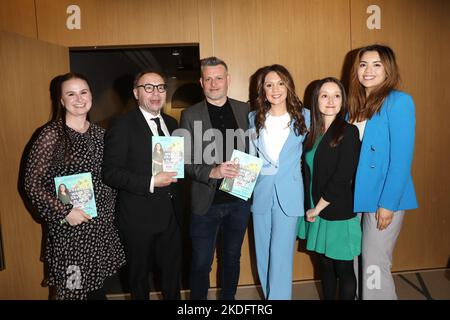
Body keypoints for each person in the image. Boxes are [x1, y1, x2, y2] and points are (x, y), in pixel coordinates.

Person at [24, 72, 125, 300]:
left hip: (100, 228)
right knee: (72, 290)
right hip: (70, 232)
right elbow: (32, 184)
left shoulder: (101, 134)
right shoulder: (51, 135)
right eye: (71, 94)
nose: (79, 99)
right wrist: (65, 212)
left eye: (83, 92)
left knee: (96, 289)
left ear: (91, 95)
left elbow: (112, 176)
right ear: (61, 101)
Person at [103, 70, 182, 300]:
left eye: (160, 87)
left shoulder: (171, 122)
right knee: (139, 281)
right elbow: (110, 173)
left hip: (171, 216)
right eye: (148, 87)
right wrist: (150, 181)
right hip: (138, 219)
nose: (155, 93)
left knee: (172, 277)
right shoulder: (122, 125)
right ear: (136, 93)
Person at [348, 44, 418, 300]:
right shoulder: (353, 104)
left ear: (388, 69)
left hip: (383, 199)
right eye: (363, 64)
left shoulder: (399, 102)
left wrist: (388, 204)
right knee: (355, 261)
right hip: (354, 196)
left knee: (375, 264)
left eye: (376, 64)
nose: (368, 70)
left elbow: (401, 159)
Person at [179, 56, 250, 300]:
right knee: (200, 264)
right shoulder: (190, 114)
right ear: (201, 82)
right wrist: (212, 171)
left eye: (218, 78)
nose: (213, 83)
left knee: (231, 259)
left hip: (239, 200)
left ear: (227, 80)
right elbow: (184, 160)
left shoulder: (245, 110)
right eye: (208, 79)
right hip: (205, 204)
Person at [297, 77, 361, 300]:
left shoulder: (349, 132)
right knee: (324, 266)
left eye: (337, 95)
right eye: (325, 95)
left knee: (343, 270)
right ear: (316, 100)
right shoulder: (312, 134)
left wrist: (317, 208)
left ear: (343, 100)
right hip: (317, 212)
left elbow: (342, 177)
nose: (331, 101)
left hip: (337, 212)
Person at [249, 64, 309, 299]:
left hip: (290, 194)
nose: (275, 89)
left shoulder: (304, 117)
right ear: (262, 90)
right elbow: (250, 156)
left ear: (289, 86)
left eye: (280, 83)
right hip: (261, 193)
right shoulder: (253, 118)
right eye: (269, 84)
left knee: (281, 255)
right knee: (262, 254)